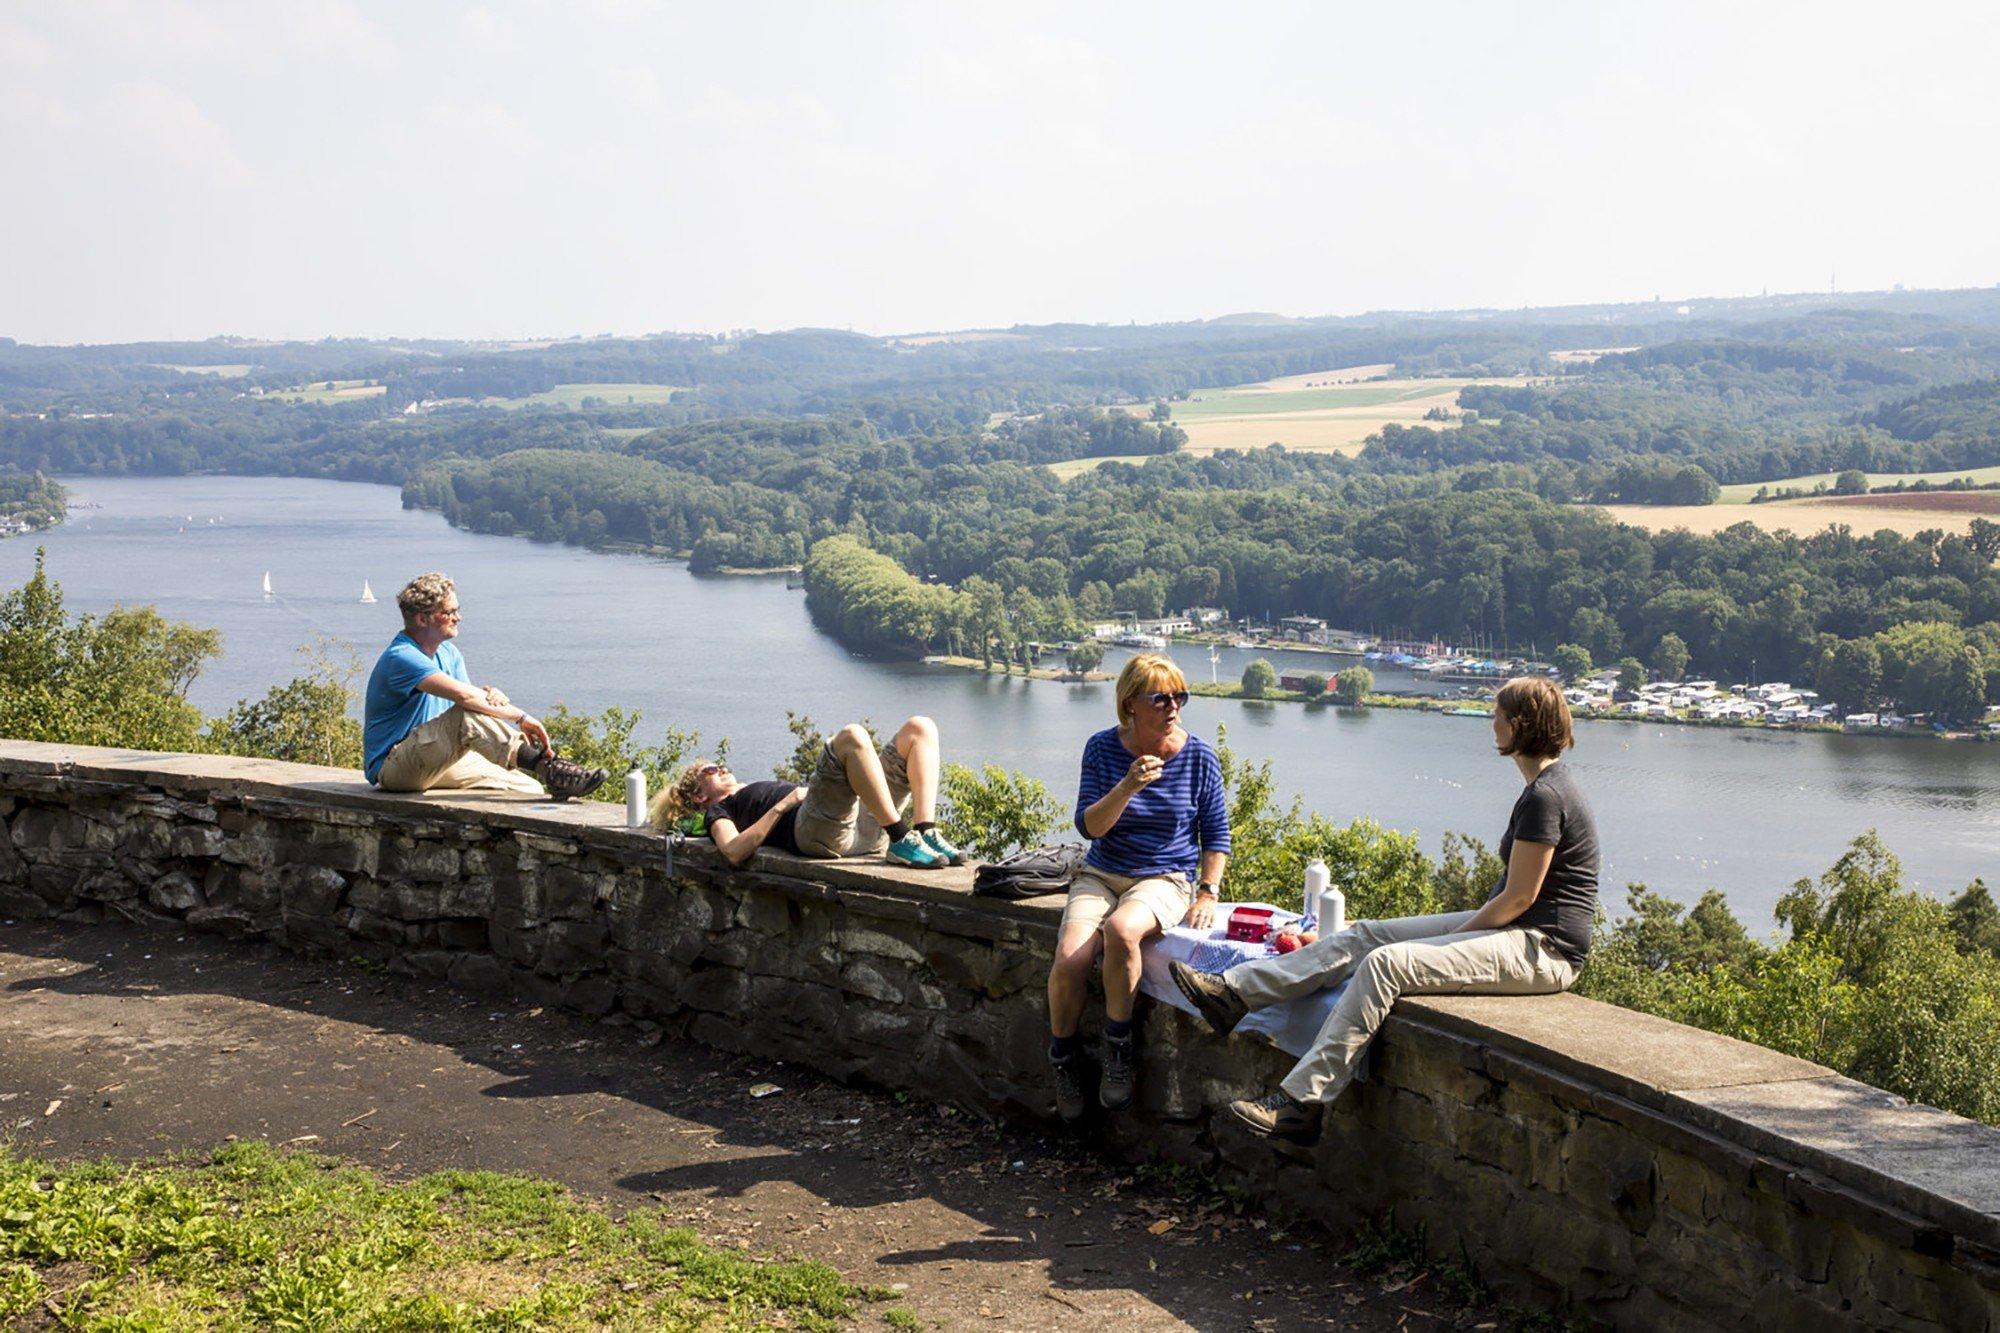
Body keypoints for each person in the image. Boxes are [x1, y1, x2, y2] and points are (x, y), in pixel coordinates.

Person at [1171, 675, 1597, 1144]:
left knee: (1386, 964)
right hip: (1518, 931)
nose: (1491, 722)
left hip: (1543, 949)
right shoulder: (1545, 788)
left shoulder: (1545, 797)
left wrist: (1456, 938)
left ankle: (1302, 1104)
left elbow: (1520, 897)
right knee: (1366, 934)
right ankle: (1233, 995)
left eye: (1497, 714)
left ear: (1519, 724)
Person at [1048, 652, 1230, 1121]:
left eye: (1180, 696)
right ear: (1131, 704)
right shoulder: (1102, 749)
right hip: (1102, 872)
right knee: (1071, 956)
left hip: (1164, 877)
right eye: (1161, 698)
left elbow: (1217, 836)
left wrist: (1207, 891)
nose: (1174, 707)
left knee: (1123, 931)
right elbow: (1090, 827)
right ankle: (1063, 1060)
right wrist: (1128, 786)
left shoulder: (1199, 757)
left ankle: (1118, 1049)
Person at [363, 572, 606, 799]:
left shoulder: (449, 653)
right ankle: (549, 767)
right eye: (450, 612)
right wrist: (520, 717)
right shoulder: (402, 657)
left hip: (433, 757)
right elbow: (466, 702)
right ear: (423, 618)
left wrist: (487, 695)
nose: (459, 617)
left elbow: (473, 702)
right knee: (465, 714)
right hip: (395, 766)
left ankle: (546, 785)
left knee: (527, 789)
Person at [652, 716, 967, 870]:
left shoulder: (746, 791)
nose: (718, 767)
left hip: (863, 827)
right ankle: (901, 839)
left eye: (717, 764)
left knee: (920, 728)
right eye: (708, 771)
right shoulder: (719, 810)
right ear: (699, 797)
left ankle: (924, 832)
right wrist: (782, 806)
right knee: (851, 736)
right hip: (816, 834)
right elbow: (733, 851)